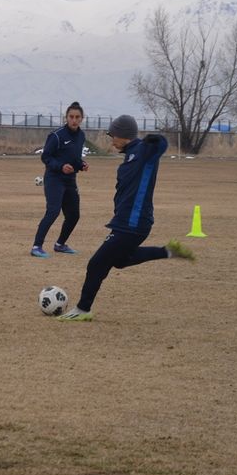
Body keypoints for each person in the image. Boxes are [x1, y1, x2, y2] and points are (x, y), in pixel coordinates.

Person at [58, 115, 195, 321]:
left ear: (123, 135)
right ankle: (168, 251)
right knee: (120, 261)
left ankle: (83, 309)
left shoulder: (143, 151)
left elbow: (161, 144)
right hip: (127, 221)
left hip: (133, 223)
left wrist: (153, 139)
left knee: (96, 264)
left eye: (113, 135)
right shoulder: (130, 155)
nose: (111, 139)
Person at [31, 101, 89, 258]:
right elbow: (46, 157)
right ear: (66, 117)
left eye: (77, 117)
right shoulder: (56, 136)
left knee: (74, 215)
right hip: (54, 178)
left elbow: (75, 158)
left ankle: (60, 244)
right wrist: (60, 166)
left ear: (82, 118)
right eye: (71, 116)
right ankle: (36, 246)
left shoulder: (81, 136)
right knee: (53, 211)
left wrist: (81, 164)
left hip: (70, 180)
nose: (74, 120)